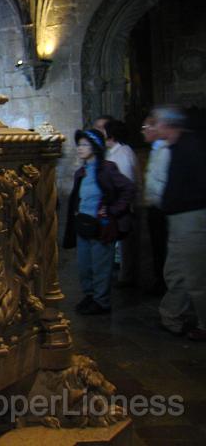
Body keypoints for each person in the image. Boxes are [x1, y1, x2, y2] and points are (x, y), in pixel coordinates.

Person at [64, 129, 136, 315]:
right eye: (79, 144)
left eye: (85, 145)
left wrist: (114, 210)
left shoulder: (107, 168)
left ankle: (101, 301)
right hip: (84, 225)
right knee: (84, 266)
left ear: (95, 147)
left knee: (100, 266)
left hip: (102, 226)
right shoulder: (81, 172)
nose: (80, 148)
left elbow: (128, 189)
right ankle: (90, 295)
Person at [155, 105, 206, 341]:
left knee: (195, 276)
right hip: (178, 217)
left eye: (157, 122)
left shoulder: (191, 147)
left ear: (168, 124)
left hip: (190, 217)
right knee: (176, 271)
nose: (154, 127)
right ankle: (173, 316)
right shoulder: (175, 147)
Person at [103, 119, 140, 287]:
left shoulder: (123, 153)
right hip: (116, 207)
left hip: (122, 207)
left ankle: (126, 277)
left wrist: (117, 206)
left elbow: (126, 183)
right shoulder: (115, 152)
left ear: (110, 135)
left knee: (126, 245)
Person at [141, 114, 169, 295]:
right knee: (157, 247)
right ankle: (160, 279)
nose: (142, 132)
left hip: (163, 208)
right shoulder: (156, 148)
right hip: (155, 206)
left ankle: (165, 282)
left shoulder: (166, 150)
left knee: (163, 247)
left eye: (145, 128)